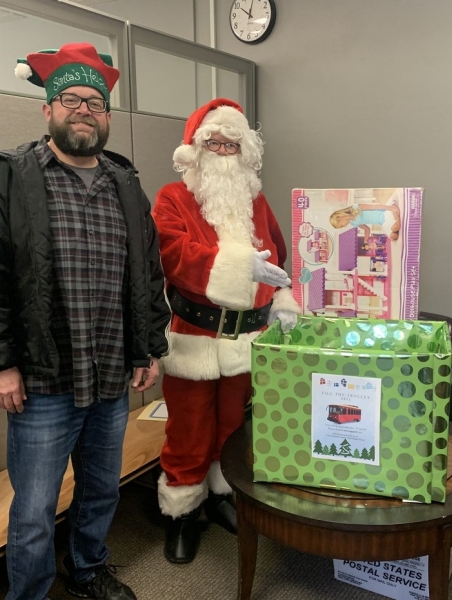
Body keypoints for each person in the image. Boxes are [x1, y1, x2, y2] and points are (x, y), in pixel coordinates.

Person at [0, 42, 170, 600]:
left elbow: (148, 271)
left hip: (111, 376)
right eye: (69, 99)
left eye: (94, 103)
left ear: (108, 118)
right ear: (46, 110)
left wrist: (147, 348)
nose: (82, 111)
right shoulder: (8, 179)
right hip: (43, 381)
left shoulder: (126, 184)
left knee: (101, 489)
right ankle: (30, 592)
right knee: (34, 506)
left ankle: (89, 567)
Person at [152, 98, 301, 564]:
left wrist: (282, 298)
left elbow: (277, 254)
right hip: (194, 339)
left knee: (233, 427)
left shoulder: (255, 201)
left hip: (245, 341)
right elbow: (174, 256)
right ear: (196, 149)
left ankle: (219, 496)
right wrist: (239, 265)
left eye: (231, 143)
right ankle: (181, 514)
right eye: (213, 141)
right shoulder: (172, 198)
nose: (222, 150)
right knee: (188, 429)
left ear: (244, 152)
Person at [329, 203, 402, 240]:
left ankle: (397, 218)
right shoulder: (353, 223)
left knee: (394, 228)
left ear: (340, 217)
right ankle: (396, 220)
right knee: (393, 236)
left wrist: (390, 208)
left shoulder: (355, 208)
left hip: (384, 214)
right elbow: (367, 229)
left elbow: (374, 206)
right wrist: (365, 240)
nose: (344, 226)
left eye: (341, 225)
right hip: (382, 223)